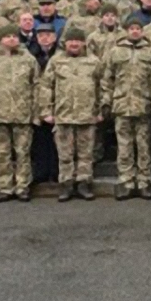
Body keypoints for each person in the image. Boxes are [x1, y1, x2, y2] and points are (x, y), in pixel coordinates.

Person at [38, 28, 104, 202]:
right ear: (64, 43)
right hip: (63, 115)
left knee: (86, 153)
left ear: (83, 43)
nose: (74, 44)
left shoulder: (94, 62)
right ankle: (66, 185)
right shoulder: (56, 61)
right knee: (65, 154)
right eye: (70, 41)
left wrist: (101, 110)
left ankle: (84, 183)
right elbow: (46, 87)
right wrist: (46, 111)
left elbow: (102, 87)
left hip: (87, 115)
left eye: (78, 40)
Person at [0, 25, 39, 203]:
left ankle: (22, 186)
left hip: (23, 114)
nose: (11, 39)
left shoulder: (29, 60)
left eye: (15, 36)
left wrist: (36, 113)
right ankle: (5, 187)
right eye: (7, 36)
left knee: (23, 152)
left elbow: (37, 86)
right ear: (1, 39)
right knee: (2, 153)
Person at [101, 18, 151, 201]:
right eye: (131, 28)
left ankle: (144, 182)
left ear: (142, 31)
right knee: (124, 146)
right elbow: (107, 79)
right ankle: (126, 181)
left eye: (138, 28)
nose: (134, 31)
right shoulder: (115, 52)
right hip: (122, 105)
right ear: (126, 31)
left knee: (143, 146)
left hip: (144, 105)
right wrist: (106, 102)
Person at [28, 23, 60, 185]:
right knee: (40, 140)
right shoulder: (30, 56)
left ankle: (55, 172)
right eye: (41, 35)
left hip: (59, 101)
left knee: (57, 141)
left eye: (48, 34)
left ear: (54, 37)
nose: (45, 38)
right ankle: (41, 172)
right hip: (37, 102)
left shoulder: (61, 55)